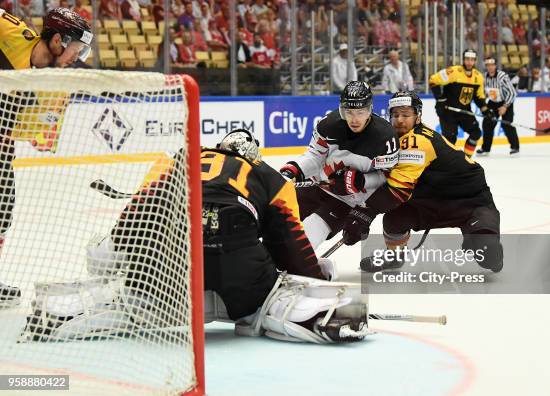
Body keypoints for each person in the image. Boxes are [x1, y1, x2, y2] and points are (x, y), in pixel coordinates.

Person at [22, 129, 370, 344]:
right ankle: (313, 314)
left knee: (136, 300)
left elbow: (135, 220)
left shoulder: (177, 160)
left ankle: (61, 310)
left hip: (172, 273)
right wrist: (313, 275)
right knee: (269, 297)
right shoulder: (268, 176)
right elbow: (290, 247)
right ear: (253, 156)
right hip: (238, 267)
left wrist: (115, 261)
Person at [340, 91, 503, 273]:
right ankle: (394, 256)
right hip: (432, 200)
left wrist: (363, 214)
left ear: (418, 117)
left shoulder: (417, 141)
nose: (400, 120)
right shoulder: (393, 138)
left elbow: (396, 190)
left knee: (490, 257)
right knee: (395, 219)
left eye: (405, 115)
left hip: (470, 202)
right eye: (395, 115)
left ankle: (483, 243)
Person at [0, 7, 92, 308]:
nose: (76, 57)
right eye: (75, 49)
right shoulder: (12, 34)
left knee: (3, 207)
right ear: (56, 41)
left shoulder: (54, 85)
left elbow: (38, 134)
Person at [280, 81, 399, 251]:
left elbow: (389, 178)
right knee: (276, 223)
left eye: (360, 112)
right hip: (315, 187)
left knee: (306, 237)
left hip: (346, 201)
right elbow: (314, 156)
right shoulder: (328, 125)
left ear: (370, 109)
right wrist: (292, 170)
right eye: (349, 112)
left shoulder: (385, 138)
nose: (355, 119)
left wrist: (362, 182)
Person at [429, 49, 493, 157]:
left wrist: (486, 110)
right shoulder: (453, 71)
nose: (469, 62)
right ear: (463, 59)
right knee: (450, 139)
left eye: (472, 60)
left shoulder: (478, 77)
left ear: (475, 61)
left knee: (476, 133)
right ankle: (447, 164)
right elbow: (433, 80)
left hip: (464, 111)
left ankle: (466, 159)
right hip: (447, 110)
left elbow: (479, 98)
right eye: (467, 59)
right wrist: (440, 100)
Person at [478, 56, 520, 156]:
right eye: (488, 65)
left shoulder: (502, 77)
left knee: (506, 124)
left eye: (492, 65)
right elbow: (484, 92)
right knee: (487, 123)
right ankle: (486, 148)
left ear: (495, 65)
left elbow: (512, 93)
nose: (490, 67)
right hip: (493, 102)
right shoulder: (484, 77)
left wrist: (505, 106)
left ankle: (515, 147)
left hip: (506, 102)